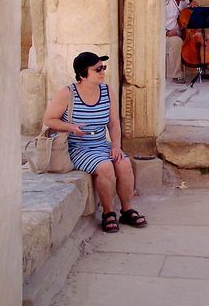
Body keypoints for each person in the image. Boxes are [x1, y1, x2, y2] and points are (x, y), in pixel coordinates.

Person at [42, 51, 147, 233]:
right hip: (77, 147)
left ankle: (127, 209)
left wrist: (115, 146)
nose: (102, 72)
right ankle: (108, 213)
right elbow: (49, 120)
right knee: (105, 167)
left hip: (101, 144)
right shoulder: (68, 93)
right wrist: (72, 127)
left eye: (103, 68)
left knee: (124, 163)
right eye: (97, 69)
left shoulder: (107, 91)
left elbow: (113, 123)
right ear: (83, 74)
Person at [165, 0, 196, 84]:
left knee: (206, 38)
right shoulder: (165, 2)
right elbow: (154, 21)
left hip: (182, 31)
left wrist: (194, 9)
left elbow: (188, 17)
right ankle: (176, 75)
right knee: (176, 41)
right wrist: (166, 32)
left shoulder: (185, 1)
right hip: (167, 34)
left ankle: (206, 72)